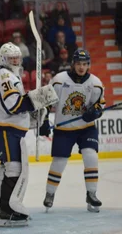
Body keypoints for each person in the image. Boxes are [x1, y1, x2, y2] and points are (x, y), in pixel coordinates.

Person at [0, 43, 58, 227]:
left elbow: (19, 107)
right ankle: (8, 211)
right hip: (4, 129)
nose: (15, 61)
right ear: (3, 59)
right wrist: (39, 98)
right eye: (12, 58)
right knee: (14, 168)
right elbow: (13, 105)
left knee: (7, 169)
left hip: (7, 129)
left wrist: (37, 118)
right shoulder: (3, 75)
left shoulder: (12, 75)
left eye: (17, 58)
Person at [39, 49, 105, 213]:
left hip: (86, 129)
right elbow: (45, 102)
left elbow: (100, 104)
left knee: (91, 156)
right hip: (64, 128)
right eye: (79, 64)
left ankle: (91, 194)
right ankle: (50, 193)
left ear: (88, 65)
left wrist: (95, 112)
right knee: (59, 162)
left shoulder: (95, 83)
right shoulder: (59, 80)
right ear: (73, 64)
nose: (82, 67)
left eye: (84, 64)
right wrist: (44, 120)